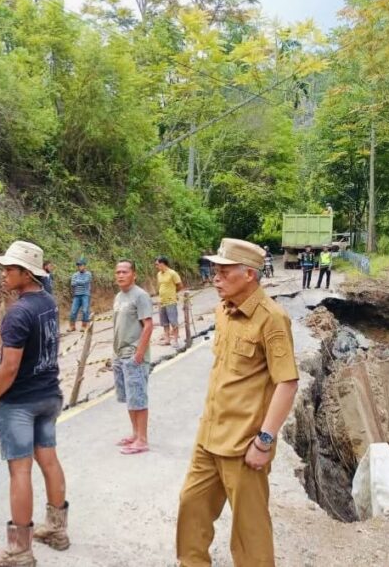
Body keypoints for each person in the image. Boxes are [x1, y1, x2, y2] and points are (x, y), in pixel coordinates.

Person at [176, 238, 299, 567]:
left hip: (244, 444)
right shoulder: (223, 310)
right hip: (210, 436)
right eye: (214, 271)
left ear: (249, 275)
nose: (215, 278)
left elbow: (286, 383)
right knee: (191, 508)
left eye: (224, 272)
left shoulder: (272, 318)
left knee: (249, 533)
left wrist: (265, 440)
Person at [0, 241, 69, 567]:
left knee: (20, 470)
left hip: (20, 402)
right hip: (48, 396)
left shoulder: (17, 312)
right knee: (49, 461)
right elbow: (28, 341)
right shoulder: (47, 303)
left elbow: (10, 367)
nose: (3, 274)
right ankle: (57, 531)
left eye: (9, 269)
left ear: (25, 274)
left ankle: (19, 551)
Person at [111, 260, 154, 455]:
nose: (120, 275)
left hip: (133, 355)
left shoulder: (141, 296)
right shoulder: (119, 296)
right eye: (118, 272)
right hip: (119, 354)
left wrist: (139, 353)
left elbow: (148, 325)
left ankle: (142, 440)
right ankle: (135, 434)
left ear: (133, 274)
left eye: (124, 272)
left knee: (138, 396)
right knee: (129, 397)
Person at [155, 256, 183, 348]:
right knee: (164, 322)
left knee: (173, 321)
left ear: (163, 263)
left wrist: (173, 293)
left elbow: (179, 285)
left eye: (157, 264)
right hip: (162, 301)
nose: (156, 266)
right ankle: (167, 340)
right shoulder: (159, 274)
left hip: (171, 301)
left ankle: (175, 340)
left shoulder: (172, 273)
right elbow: (160, 286)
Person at [68, 258, 92, 332]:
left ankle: (84, 326)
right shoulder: (75, 274)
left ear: (84, 266)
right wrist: (80, 282)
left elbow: (86, 281)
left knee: (85, 310)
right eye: (78, 266)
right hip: (77, 295)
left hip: (85, 294)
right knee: (73, 311)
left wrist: (78, 282)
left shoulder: (88, 274)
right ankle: (72, 326)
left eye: (81, 265)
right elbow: (72, 283)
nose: (79, 267)